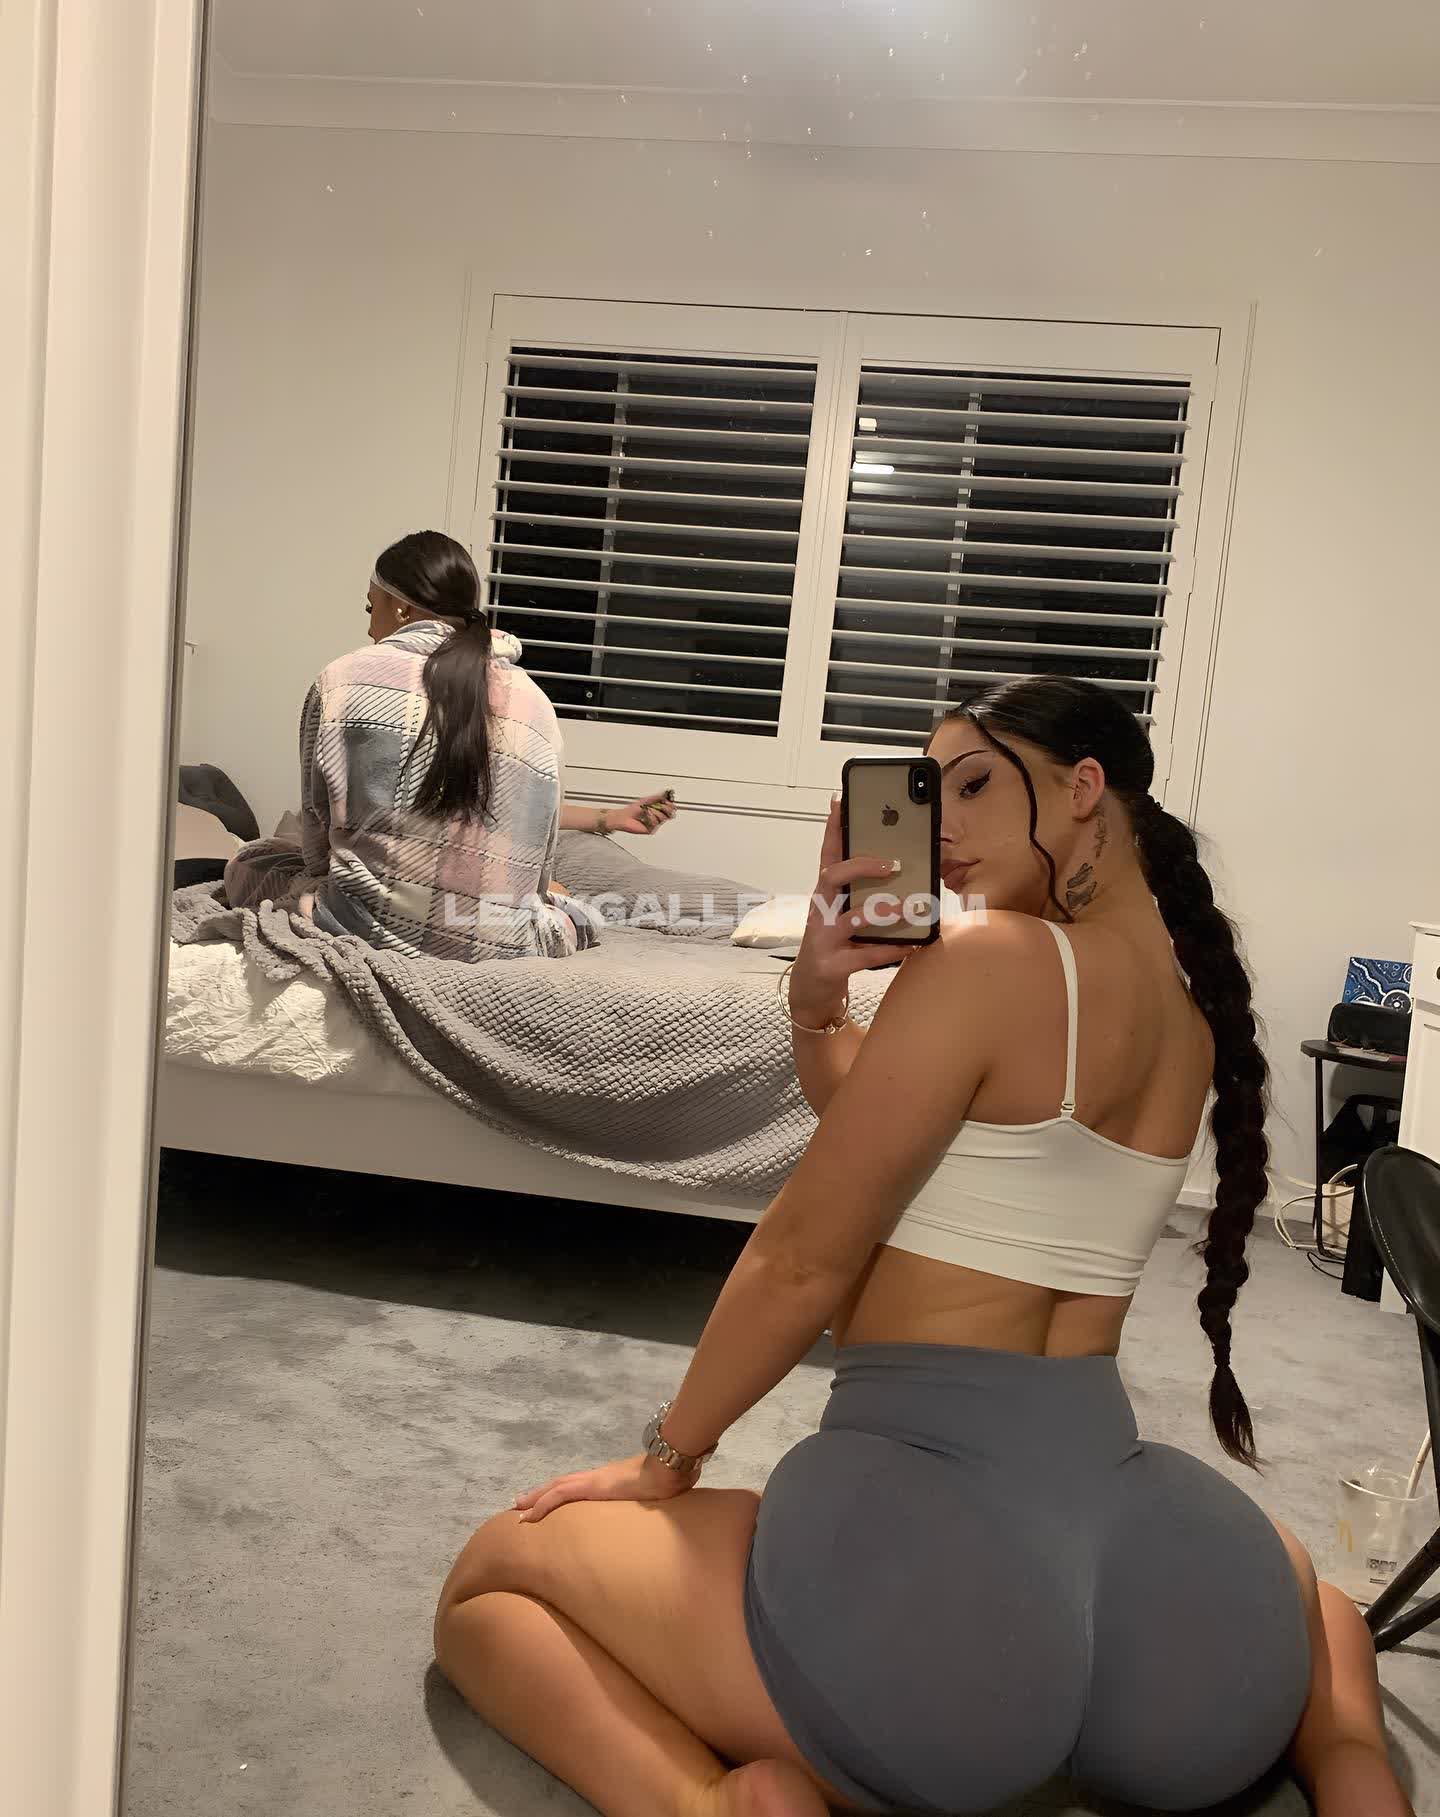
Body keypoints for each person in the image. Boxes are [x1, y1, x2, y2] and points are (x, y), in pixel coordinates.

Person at [433, 675, 1411, 1817]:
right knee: (1314, 1606)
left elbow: (803, 1257)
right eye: (928, 794)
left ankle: (710, 1803)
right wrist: (816, 1003)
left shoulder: (984, 956)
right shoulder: (1193, 1024)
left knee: (491, 1579)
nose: (940, 827)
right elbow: (919, 1150)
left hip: (928, 1613)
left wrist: (668, 1456)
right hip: (1162, 1614)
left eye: (975, 785)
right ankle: (1352, 1762)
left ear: (1083, 789)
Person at [222, 531, 677, 961]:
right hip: (503, 943)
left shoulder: (341, 678)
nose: (370, 628)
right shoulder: (532, 700)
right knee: (577, 914)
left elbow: (317, 842)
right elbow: (537, 854)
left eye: (370, 607)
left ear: (401, 609)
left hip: (364, 927)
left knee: (250, 861)